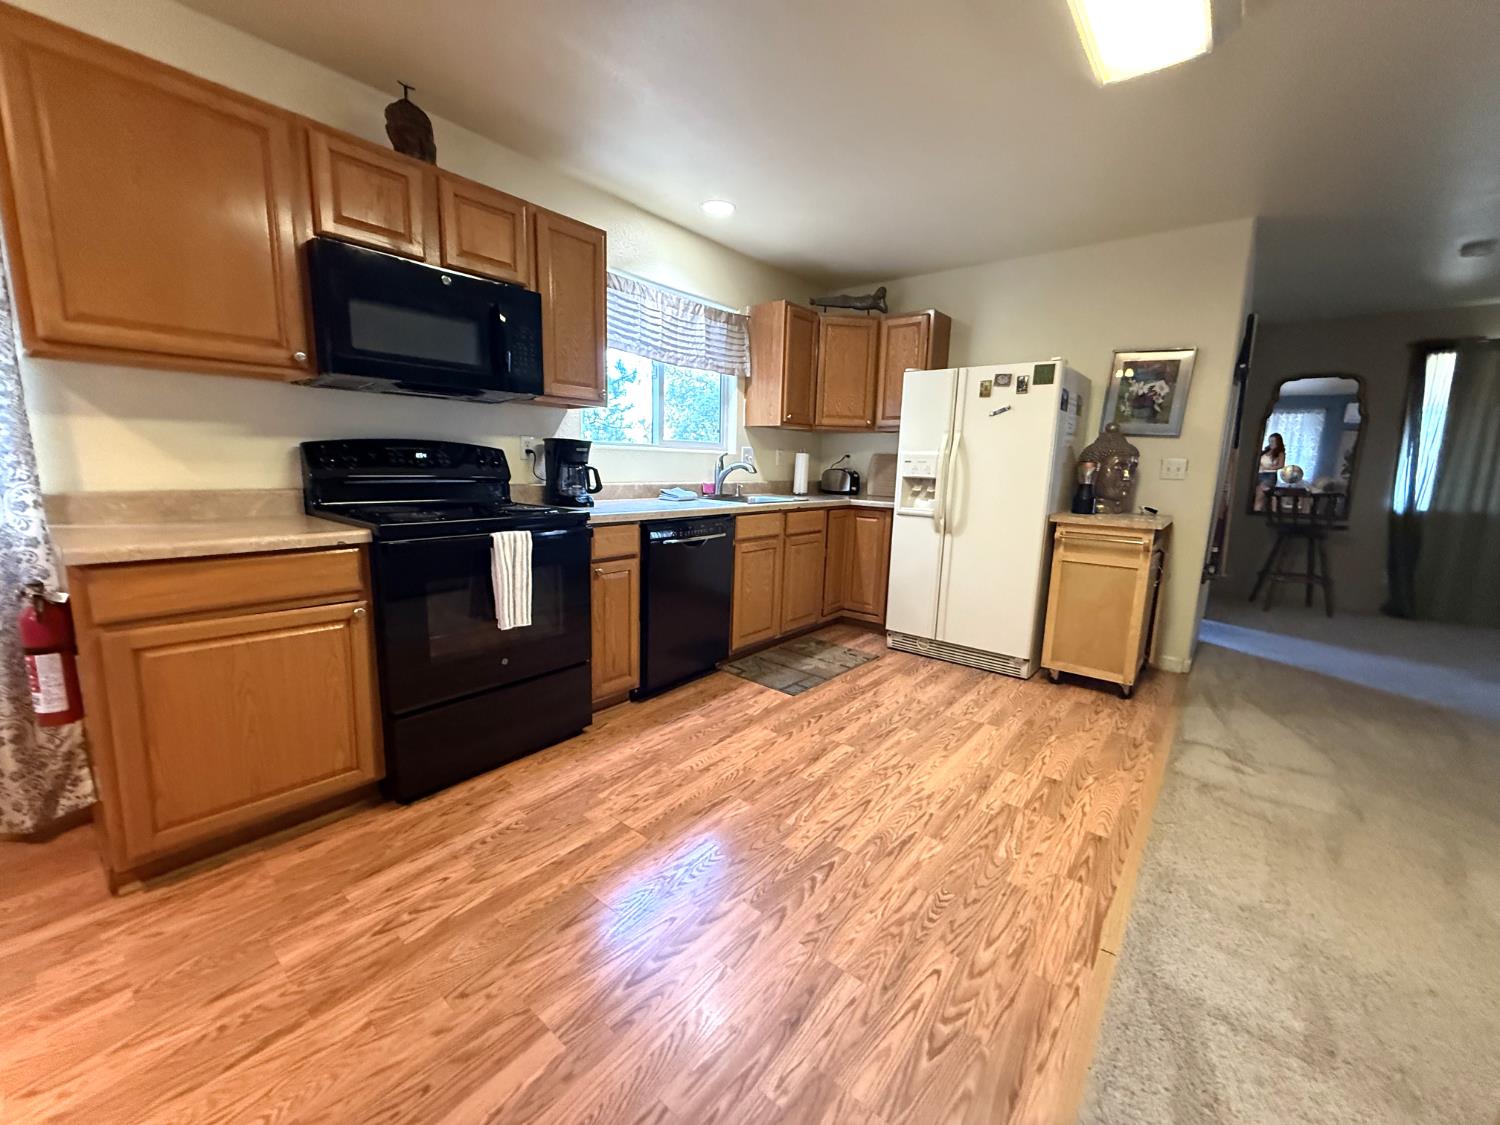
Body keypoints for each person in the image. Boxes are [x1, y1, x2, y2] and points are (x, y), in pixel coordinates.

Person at [1255, 432, 1286, 511]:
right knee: (1257, 496)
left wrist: (1269, 467)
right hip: (1258, 474)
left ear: (1278, 442)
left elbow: (1281, 465)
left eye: (1273, 441)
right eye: (1270, 441)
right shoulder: (1265, 451)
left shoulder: (1280, 453)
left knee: (1259, 495)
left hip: (1269, 476)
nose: (1271, 443)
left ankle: (1256, 510)